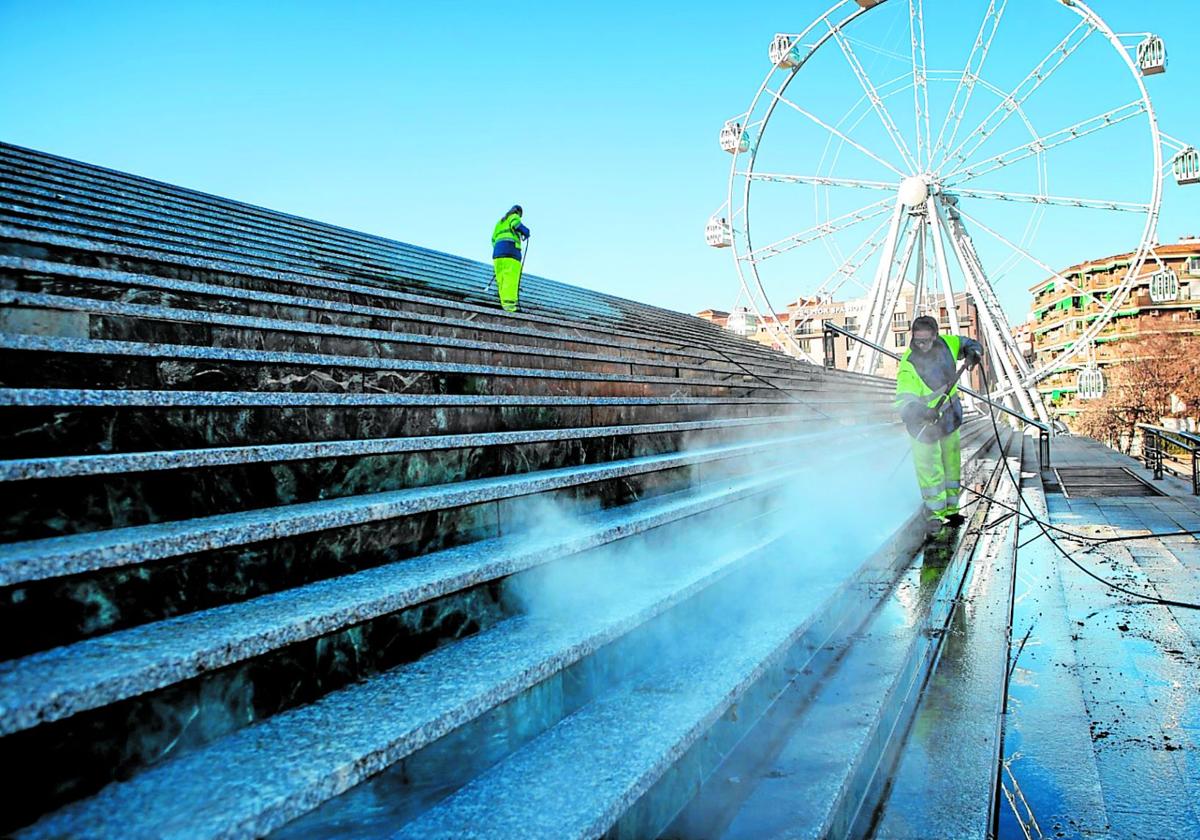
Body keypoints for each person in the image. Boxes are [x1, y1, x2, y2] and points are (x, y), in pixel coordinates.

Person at [894, 315, 983, 529]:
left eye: (926, 340)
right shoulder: (909, 364)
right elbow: (904, 402)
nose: (921, 346)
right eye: (917, 341)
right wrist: (923, 412)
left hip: (949, 418)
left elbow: (968, 343)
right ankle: (934, 514)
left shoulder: (948, 344)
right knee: (930, 471)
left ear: (935, 336)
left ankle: (951, 510)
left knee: (951, 465)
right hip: (923, 426)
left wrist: (973, 352)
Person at [491, 205, 530, 313]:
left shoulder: (499, 223)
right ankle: (510, 308)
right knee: (511, 279)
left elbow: (493, 240)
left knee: (501, 280)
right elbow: (516, 224)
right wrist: (526, 231)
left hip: (498, 255)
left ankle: (504, 304)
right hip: (511, 252)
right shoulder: (514, 216)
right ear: (518, 212)